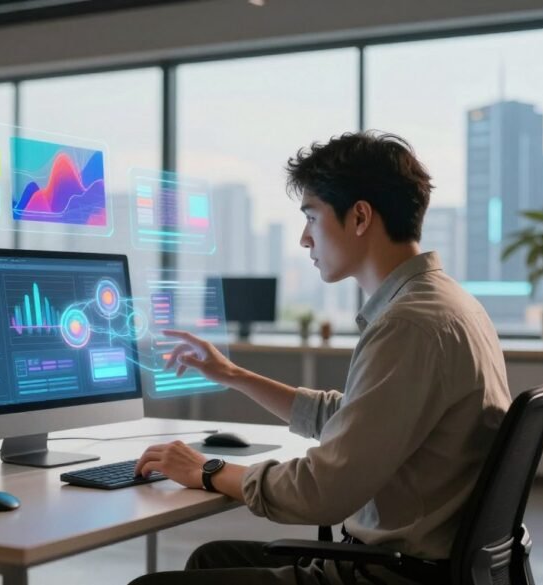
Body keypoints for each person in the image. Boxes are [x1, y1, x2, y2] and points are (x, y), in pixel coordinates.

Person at [130, 132, 511, 585]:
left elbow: (320, 492)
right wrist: (231, 374)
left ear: (360, 217)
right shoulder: (445, 304)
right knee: (212, 558)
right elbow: (354, 416)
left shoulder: (410, 325)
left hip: (389, 574)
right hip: (423, 562)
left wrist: (207, 470)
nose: (304, 238)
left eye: (312, 216)